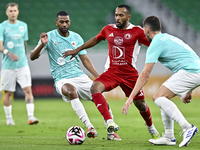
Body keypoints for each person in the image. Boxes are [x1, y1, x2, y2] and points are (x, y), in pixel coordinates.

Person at [62, 4, 160, 139]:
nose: (117, 18)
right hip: (112, 72)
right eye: (116, 15)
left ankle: (151, 127)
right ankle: (110, 123)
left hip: (130, 74)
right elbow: (96, 39)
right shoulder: (108, 29)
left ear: (128, 17)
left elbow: (155, 44)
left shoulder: (137, 31)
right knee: (95, 87)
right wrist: (77, 49)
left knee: (141, 105)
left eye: (121, 15)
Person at [30, 10, 120, 140]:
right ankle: (90, 127)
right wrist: (42, 45)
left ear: (70, 22)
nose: (64, 24)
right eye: (61, 22)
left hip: (80, 76)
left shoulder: (76, 37)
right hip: (62, 79)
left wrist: (98, 77)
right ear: (56, 23)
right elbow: (33, 56)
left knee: (101, 99)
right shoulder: (49, 37)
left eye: (67, 21)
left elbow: (85, 60)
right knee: (71, 91)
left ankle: (111, 131)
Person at [122, 16, 199, 147]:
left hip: (190, 71)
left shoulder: (156, 43)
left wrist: (131, 97)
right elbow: (191, 57)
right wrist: (189, 90)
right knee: (163, 97)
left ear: (146, 30)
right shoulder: (169, 37)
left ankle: (187, 127)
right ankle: (169, 137)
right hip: (195, 70)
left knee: (158, 97)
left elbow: (145, 74)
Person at [0, 3, 39, 125]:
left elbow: (24, 43)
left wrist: (24, 56)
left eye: (14, 10)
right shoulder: (2, 26)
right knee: (8, 92)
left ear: (18, 12)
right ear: (7, 12)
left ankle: (31, 117)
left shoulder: (23, 26)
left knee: (28, 89)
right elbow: (0, 45)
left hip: (22, 65)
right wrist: (9, 54)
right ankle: (9, 118)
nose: (12, 13)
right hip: (8, 66)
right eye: (10, 11)